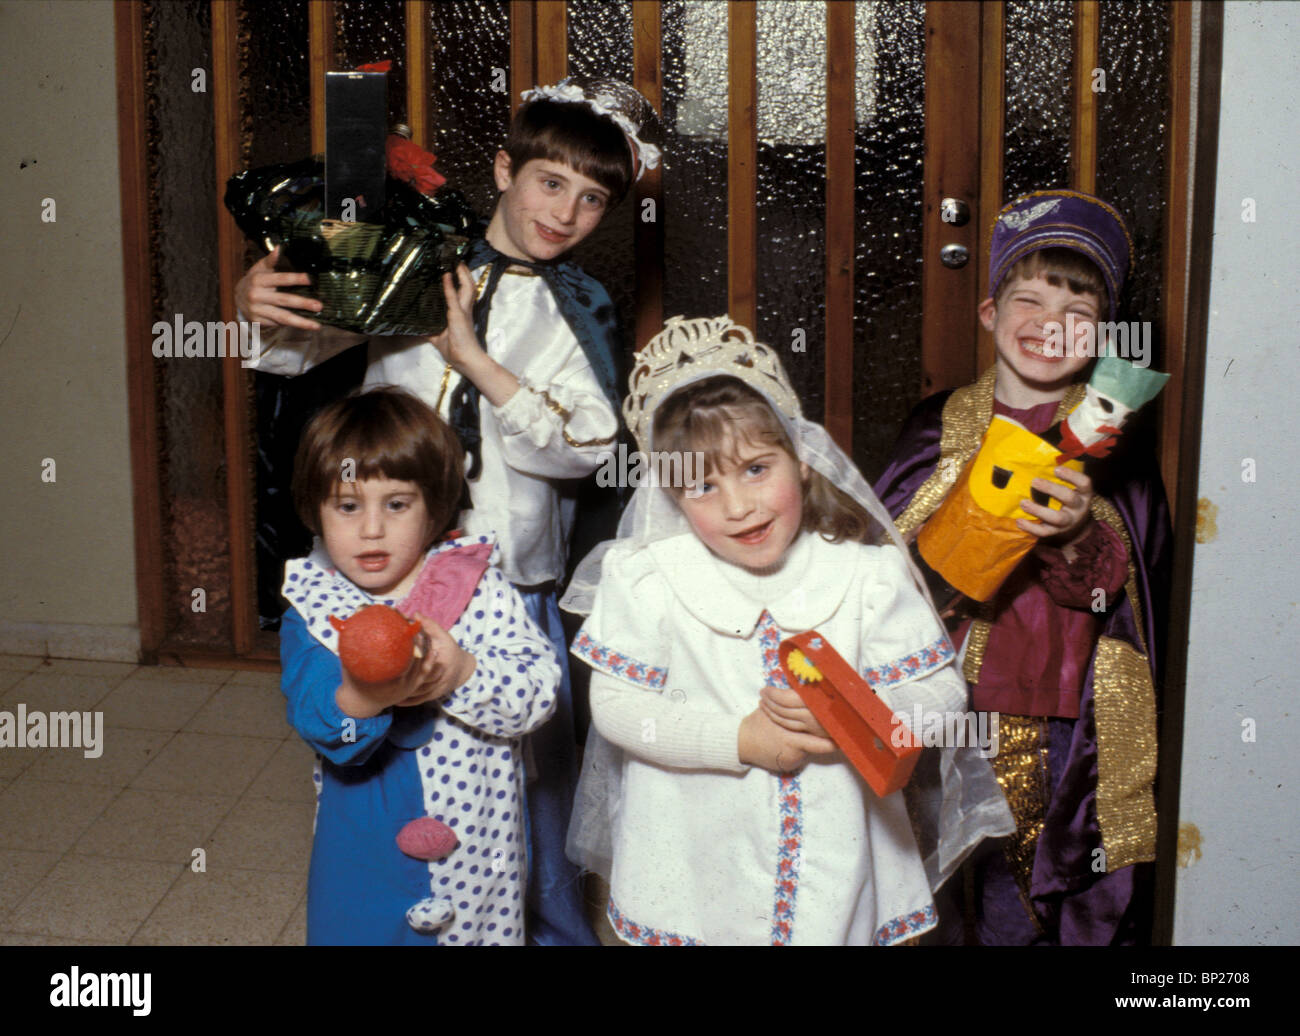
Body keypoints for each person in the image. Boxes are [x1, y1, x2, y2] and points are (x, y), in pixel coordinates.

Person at [240, 77, 662, 945]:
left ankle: (534, 930)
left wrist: (477, 361)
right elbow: (297, 348)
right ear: (505, 169)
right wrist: (260, 309)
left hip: (510, 576)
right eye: (550, 182)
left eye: (593, 200)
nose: (567, 212)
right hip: (387, 564)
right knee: (388, 752)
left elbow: (587, 449)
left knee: (528, 779)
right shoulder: (413, 259)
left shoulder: (578, 306)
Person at [560, 316, 1012, 945]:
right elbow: (616, 705)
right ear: (668, 494)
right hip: (693, 856)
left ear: (801, 460)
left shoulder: (864, 575)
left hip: (840, 847)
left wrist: (863, 715)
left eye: (755, 469)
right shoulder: (648, 578)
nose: (738, 506)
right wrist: (736, 738)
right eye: (701, 485)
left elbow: (938, 696)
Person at [874, 189, 1172, 945]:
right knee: (955, 890)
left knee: (1065, 896)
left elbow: (1130, 595)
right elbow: (883, 571)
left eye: (1077, 312)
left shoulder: (1119, 453)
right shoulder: (936, 430)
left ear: (1103, 333)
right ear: (988, 314)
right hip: (960, 705)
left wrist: (1075, 533)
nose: (1049, 325)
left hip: (1075, 722)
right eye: (1028, 299)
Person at [278, 387, 560, 945]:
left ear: (435, 506)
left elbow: (538, 690)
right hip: (362, 837)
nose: (372, 529)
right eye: (348, 505)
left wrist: (461, 673)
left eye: (397, 504)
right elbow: (314, 712)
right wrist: (363, 694)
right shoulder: (314, 608)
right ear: (316, 510)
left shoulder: (480, 590)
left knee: (478, 932)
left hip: (479, 836)